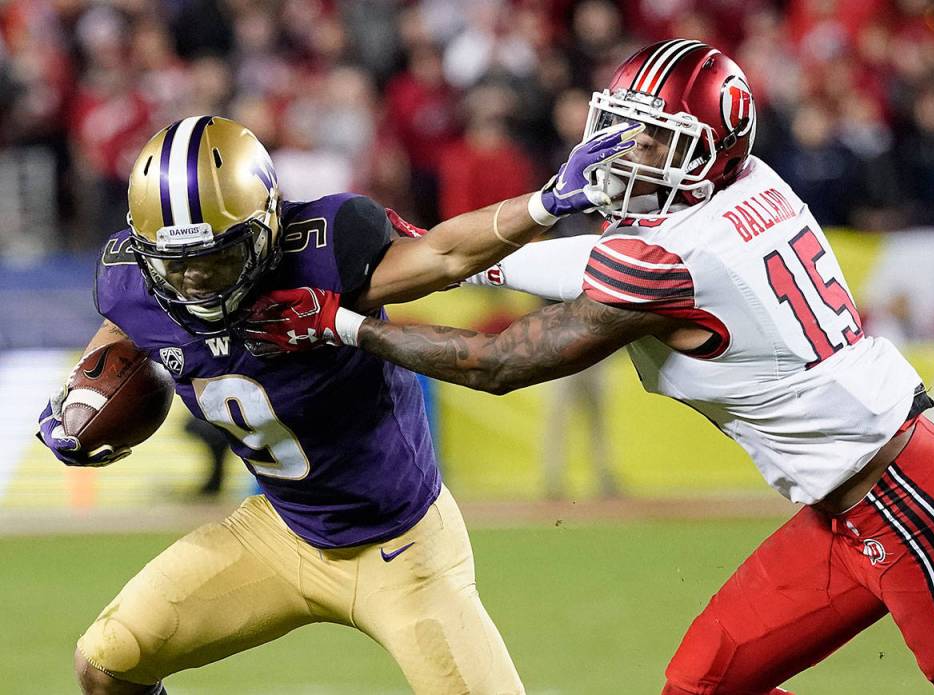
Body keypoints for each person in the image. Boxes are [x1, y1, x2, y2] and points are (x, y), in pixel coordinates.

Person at [245, 40, 934, 695]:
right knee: (698, 686)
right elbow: (603, 258)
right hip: (845, 509)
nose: (629, 151)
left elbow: (499, 362)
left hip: (914, 510)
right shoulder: (749, 187)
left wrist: (347, 325)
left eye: (655, 139)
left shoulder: (679, 258)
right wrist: (467, 259)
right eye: (626, 128)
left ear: (708, 150)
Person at [36, 115, 641, 695]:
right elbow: (125, 329)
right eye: (178, 265)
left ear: (268, 222)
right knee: (105, 665)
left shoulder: (326, 250)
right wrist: (79, 398)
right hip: (278, 530)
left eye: (217, 259)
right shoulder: (134, 280)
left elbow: (444, 254)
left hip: (401, 549)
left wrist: (545, 202)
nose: (198, 284)